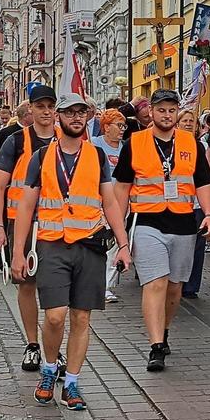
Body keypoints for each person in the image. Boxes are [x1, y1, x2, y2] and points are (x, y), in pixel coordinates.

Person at [10, 94, 132, 411]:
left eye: (82, 113)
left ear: (88, 118)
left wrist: (123, 244)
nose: (76, 118)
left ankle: (73, 383)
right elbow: (26, 206)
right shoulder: (41, 156)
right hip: (52, 243)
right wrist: (18, 252)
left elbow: (110, 203)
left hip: (90, 244)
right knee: (54, 316)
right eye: (69, 113)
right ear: (60, 117)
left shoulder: (97, 156)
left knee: (81, 317)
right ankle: (50, 369)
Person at [113, 89, 210, 372]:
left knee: (174, 289)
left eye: (172, 110)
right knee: (155, 283)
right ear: (151, 112)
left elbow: (203, 182)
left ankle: (165, 329)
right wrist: (118, 225)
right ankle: (156, 345)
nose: (167, 115)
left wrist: (209, 214)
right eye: (161, 110)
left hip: (183, 222)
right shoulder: (135, 142)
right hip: (147, 221)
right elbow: (121, 186)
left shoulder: (191, 142)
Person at [0, 86, 60, 371]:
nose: (45, 111)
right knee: (26, 284)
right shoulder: (16, 141)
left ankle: (53, 350)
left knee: (55, 288)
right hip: (21, 222)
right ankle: (32, 345)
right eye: (40, 106)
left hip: (57, 223)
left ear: (56, 110)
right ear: (30, 109)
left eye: (49, 106)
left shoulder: (67, 141)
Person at [177, 108, 210, 300]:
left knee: (197, 245)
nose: (189, 124)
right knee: (179, 245)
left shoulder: (202, 146)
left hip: (197, 204)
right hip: (177, 204)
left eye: (192, 121)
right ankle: (177, 281)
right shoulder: (171, 144)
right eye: (185, 121)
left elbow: (208, 175)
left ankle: (191, 285)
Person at [92, 108, 128, 302]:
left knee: (116, 244)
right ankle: (95, 282)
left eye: (124, 126)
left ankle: (107, 286)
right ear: (106, 127)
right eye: (119, 125)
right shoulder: (94, 145)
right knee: (99, 244)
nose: (122, 130)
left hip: (120, 205)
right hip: (97, 204)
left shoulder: (126, 149)